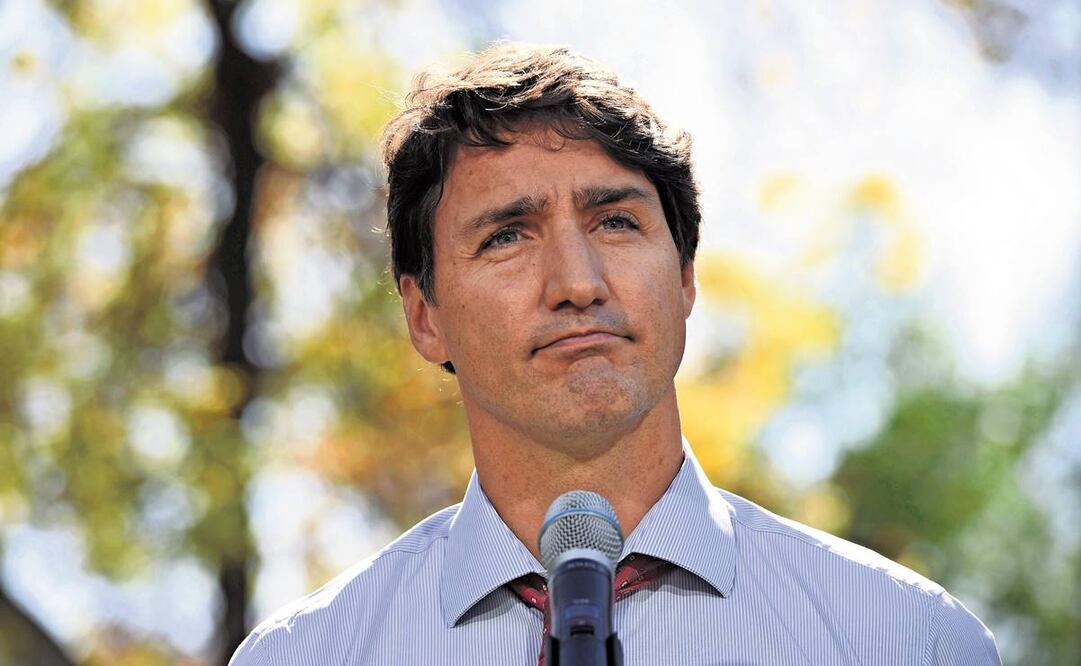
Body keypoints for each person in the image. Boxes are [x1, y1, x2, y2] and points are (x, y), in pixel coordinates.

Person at [230, 42, 1001, 665]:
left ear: (686, 276)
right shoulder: (305, 655)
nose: (576, 283)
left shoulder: (907, 641)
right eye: (506, 236)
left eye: (616, 224)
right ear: (424, 316)